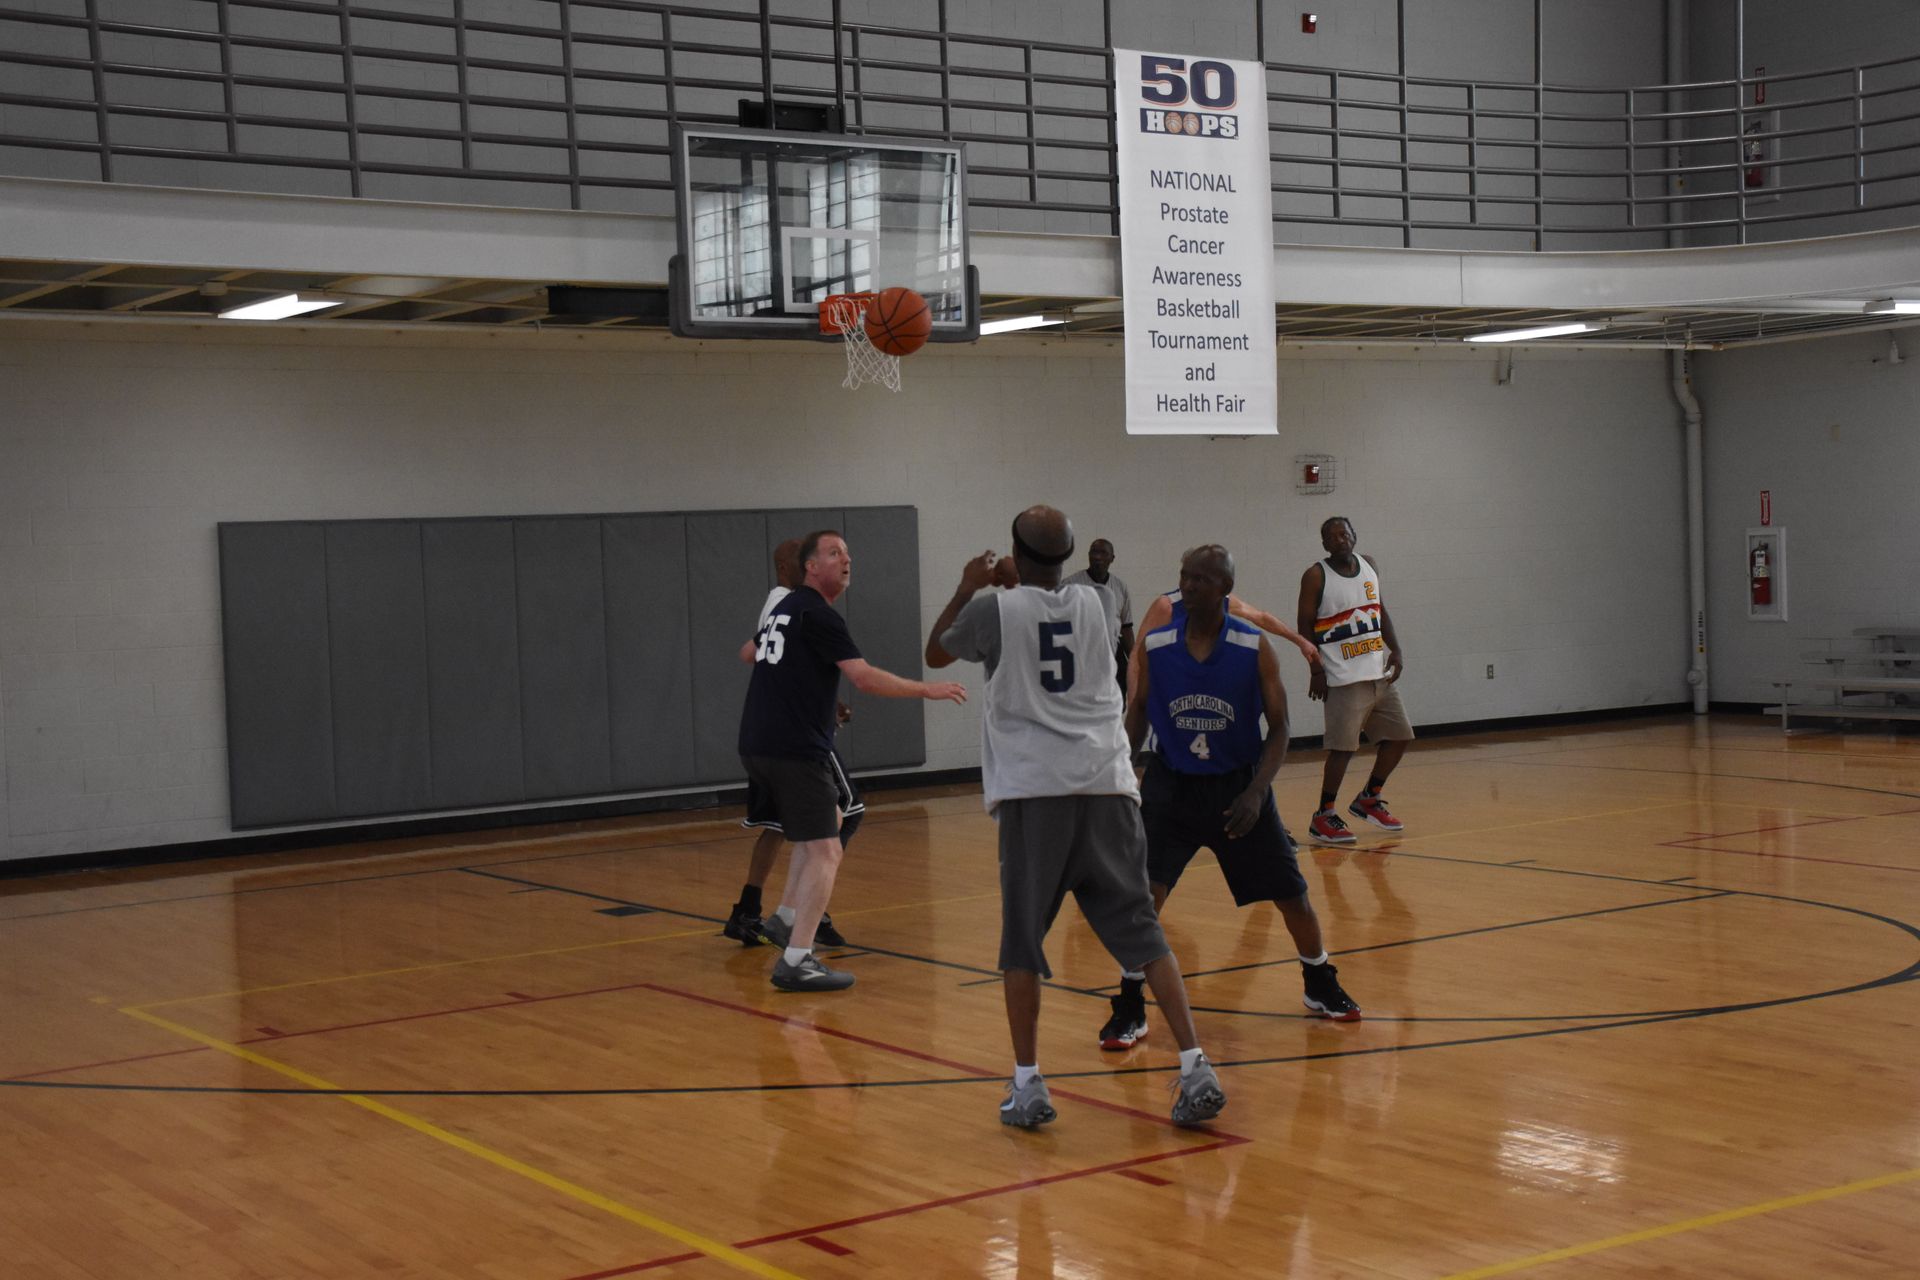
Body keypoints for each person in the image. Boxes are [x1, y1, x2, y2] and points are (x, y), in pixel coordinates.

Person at [926, 505, 1226, 1130]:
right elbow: (1051, 608)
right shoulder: (1098, 604)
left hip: (1037, 792)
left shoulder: (993, 609)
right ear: (1070, 556)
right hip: (1110, 784)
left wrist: (969, 584)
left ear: (1013, 550)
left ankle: (1029, 1084)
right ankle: (1196, 1065)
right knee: (1143, 932)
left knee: (1022, 943)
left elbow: (936, 653)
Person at [1101, 544, 1360, 1050]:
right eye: (1184, 577)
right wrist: (1120, 769)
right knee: (1141, 902)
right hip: (1171, 788)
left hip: (1238, 789)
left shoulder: (1251, 647)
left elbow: (1281, 727)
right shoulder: (1157, 645)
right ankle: (1130, 1002)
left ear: (1224, 588)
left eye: (1200, 578)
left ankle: (1319, 981)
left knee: (1294, 898)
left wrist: (1258, 791)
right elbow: (1138, 716)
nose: (1188, 586)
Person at [739, 529, 967, 992]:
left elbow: (750, 652)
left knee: (833, 816)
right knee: (829, 847)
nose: (846, 560)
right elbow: (862, 678)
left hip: (758, 745)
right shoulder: (818, 615)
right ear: (810, 567)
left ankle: (785, 919)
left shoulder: (785, 607)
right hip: (793, 749)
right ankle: (796, 960)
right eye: (834, 553)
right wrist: (928, 689)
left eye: (848, 553)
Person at [723, 538, 855, 950]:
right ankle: (803, 908)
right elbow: (767, 657)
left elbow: (756, 652)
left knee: (781, 826)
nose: (818, 563)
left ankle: (752, 909)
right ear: (790, 566)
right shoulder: (792, 602)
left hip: (770, 732)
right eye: (813, 557)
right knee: (845, 813)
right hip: (792, 737)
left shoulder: (785, 604)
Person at [1297, 516, 1413, 845]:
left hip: (1377, 671)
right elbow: (1304, 625)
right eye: (1332, 537)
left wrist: (1397, 650)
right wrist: (1315, 670)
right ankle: (1323, 815)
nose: (1340, 539)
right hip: (1341, 677)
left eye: (1344, 533)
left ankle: (1369, 797)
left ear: (1354, 536)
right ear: (1325, 544)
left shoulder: (1369, 565)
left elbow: (1379, 608)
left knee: (1400, 736)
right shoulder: (1315, 575)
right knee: (1342, 749)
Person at [1063, 538, 1134, 690]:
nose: (1097, 556)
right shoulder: (1070, 585)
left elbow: (1126, 628)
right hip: (1082, 654)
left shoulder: (1120, 587)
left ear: (1112, 558)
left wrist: (1135, 660)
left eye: (1103, 552)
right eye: (1094, 551)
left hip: (1112, 651)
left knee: (1117, 701)